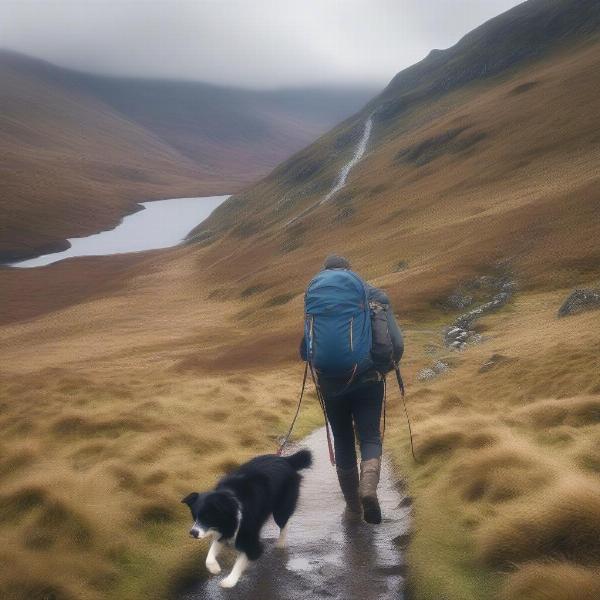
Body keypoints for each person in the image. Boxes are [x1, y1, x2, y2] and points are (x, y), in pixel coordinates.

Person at [300, 254, 403, 524]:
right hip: (369, 379)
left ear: (325, 273)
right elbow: (396, 344)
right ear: (350, 271)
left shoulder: (317, 298)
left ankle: (353, 507)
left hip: (330, 382)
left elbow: (305, 348)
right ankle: (368, 490)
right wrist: (385, 369)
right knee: (369, 436)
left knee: (343, 439)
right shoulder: (374, 295)